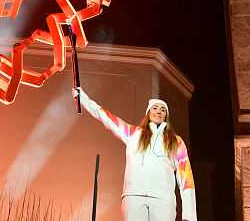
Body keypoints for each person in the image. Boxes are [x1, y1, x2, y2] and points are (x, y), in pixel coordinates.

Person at [74, 87, 197, 221]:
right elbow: (106, 117)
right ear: (148, 112)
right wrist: (83, 99)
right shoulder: (133, 133)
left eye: (163, 110)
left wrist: (189, 217)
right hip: (134, 197)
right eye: (155, 108)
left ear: (166, 116)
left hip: (163, 201)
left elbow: (186, 180)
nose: (159, 112)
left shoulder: (175, 142)